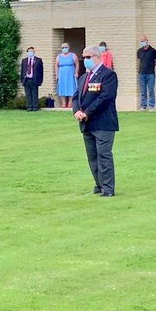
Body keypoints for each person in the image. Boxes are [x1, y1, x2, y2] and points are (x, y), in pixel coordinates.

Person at [72, 45, 119, 196]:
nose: (85, 60)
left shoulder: (108, 75)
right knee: (92, 156)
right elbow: (76, 97)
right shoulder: (84, 77)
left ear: (97, 57)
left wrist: (87, 112)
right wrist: (77, 111)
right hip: (87, 123)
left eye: (88, 57)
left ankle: (108, 189)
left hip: (103, 123)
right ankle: (99, 185)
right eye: (83, 57)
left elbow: (106, 98)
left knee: (104, 155)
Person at [20, 46, 44, 111]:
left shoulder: (38, 60)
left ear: (34, 52)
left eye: (32, 51)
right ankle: (29, 107)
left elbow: (41, 71)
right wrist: (22, 80)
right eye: (29, 51)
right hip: (26, 79)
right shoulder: (24, 60)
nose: (30, 52)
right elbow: (22, 70)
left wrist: (41, 80)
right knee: (28, 94)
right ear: (27, 52)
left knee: (34, 93)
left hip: (34, 79)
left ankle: (35, 107)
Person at [56, 43, 79, 109]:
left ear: (69, 48)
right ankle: (63, 102)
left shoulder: (73, 55)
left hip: (70, 73)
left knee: (71, 87)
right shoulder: (59, 56)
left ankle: (70, 102)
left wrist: (76, 72)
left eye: (66, 47)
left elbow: (77, 64)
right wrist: (57, 75)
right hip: (62, 74)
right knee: (62, 87)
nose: (64, 49)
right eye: (63, 47)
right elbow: (56, 66)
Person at [137, 37, 156, 110]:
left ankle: (151, 106)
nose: (142, 42)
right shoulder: (139, 51)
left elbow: (155, 61)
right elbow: (140, 60)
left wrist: (151, 66)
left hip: (150, 73)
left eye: (143, 41)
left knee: (151, 90)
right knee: (143, 90)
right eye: (141, 41)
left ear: (147, 41)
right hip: (141, 73)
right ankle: (143, 106)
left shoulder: (153, 51)